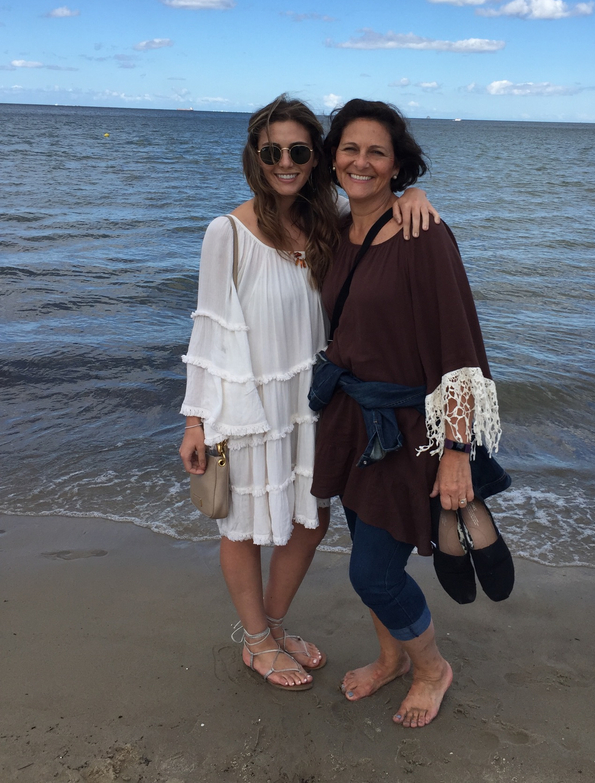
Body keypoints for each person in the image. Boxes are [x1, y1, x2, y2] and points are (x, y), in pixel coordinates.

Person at [179, 95, 438, 691]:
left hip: (314, 405)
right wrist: (195, 421)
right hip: (246, 406)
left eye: (300, 150)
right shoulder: (228, 232)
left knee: (309, 521)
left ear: (316, 157)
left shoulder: (329, 227)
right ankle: (256, 643)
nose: (286, 162)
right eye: (274, 152)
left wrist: (414, 197)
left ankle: (270, 626)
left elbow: (379, 212)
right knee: (241, 526)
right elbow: (207, 330)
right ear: (256, 157)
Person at [310, 99, 511, 727]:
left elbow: (459, 355)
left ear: (398, 165)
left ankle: (431, 668)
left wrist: (457, 454)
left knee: (373, 572)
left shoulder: (425, 236)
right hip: (352, 424)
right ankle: (390, 658)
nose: (361, 161)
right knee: (375, 555)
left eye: (377, 151)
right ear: (333, 158)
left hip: (407, 436)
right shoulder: (337, 231)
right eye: (349, 148)